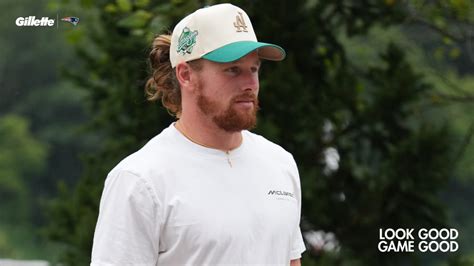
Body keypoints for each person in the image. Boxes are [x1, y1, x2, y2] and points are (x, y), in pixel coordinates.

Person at [91, 3, 305, 266]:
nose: (250, 84)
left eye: (254, 69)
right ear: (186, 75)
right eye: (233, 70)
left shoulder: (280, 163)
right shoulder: (140, 180)